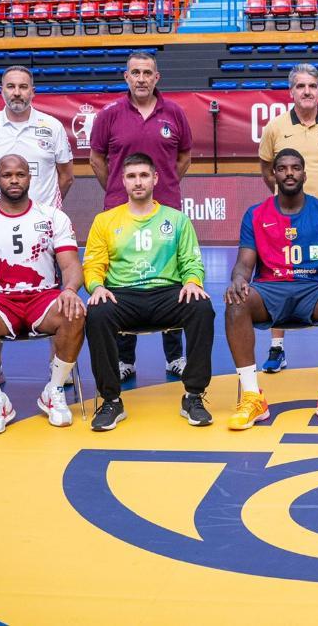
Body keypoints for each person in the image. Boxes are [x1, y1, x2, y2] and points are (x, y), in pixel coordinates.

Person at [224, 148, 318, 430]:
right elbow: (243, 264)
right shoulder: (255, 214)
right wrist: (238, 280)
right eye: (283, 168)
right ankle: (253, 398)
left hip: (315, 290)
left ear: (304, 173)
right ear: (273, 174)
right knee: (237, 301)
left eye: (295, 168)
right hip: (270, 290)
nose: (289, 173)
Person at [82, 152, 214, 431]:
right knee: (97, 313)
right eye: (131, 176)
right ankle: (111, 400)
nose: (138, 182)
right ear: (123, 181)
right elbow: (93, 264)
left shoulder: (177, 219)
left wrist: (192, 282)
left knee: (201, 307)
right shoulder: (104, 221)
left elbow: (191, 261)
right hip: (122, 294)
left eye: (143, 175)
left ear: (155, 178)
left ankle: (193, 396)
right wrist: (96, 287)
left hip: (167, 292)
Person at [0, 155, 85, 436]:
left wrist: (70, 290)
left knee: (74, 310)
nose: (14, 180)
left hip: (43, 297)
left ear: (30, 178)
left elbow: (71, 265)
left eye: (20, 174)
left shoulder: (52, 217)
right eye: (7, 175)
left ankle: (53, 390)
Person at [0, 65, 76, 388]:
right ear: (1, 90)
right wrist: (0, 210)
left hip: (44, 230)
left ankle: (58, 367)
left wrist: (45, 211)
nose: (17, 92)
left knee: (53, 293)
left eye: (23, 87)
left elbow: (66, 175)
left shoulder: (51, 126)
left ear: (33, 91)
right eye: (11, 86)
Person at [89, 50, 193, 381]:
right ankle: (123, 359)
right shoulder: (109, 115)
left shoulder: (174, 113)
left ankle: (175, 356)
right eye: (135, 72)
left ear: (157, 77)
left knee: (172, 277)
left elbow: (185, 156)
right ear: (126, 77)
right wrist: (121, 194)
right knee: (120, 278)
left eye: (147, 73)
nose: (141, 78)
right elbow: (96, 158)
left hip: (166, 209)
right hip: (121, 212)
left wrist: (160, 189)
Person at [256, 63, 318, 374]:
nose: (307, 92)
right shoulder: (275, 127)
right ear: (291, 92)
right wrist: (287, 201)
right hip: (286, 218)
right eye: (300, 86)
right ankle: (277, 349)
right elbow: (266, 170)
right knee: (278, 277)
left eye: (312, 86)